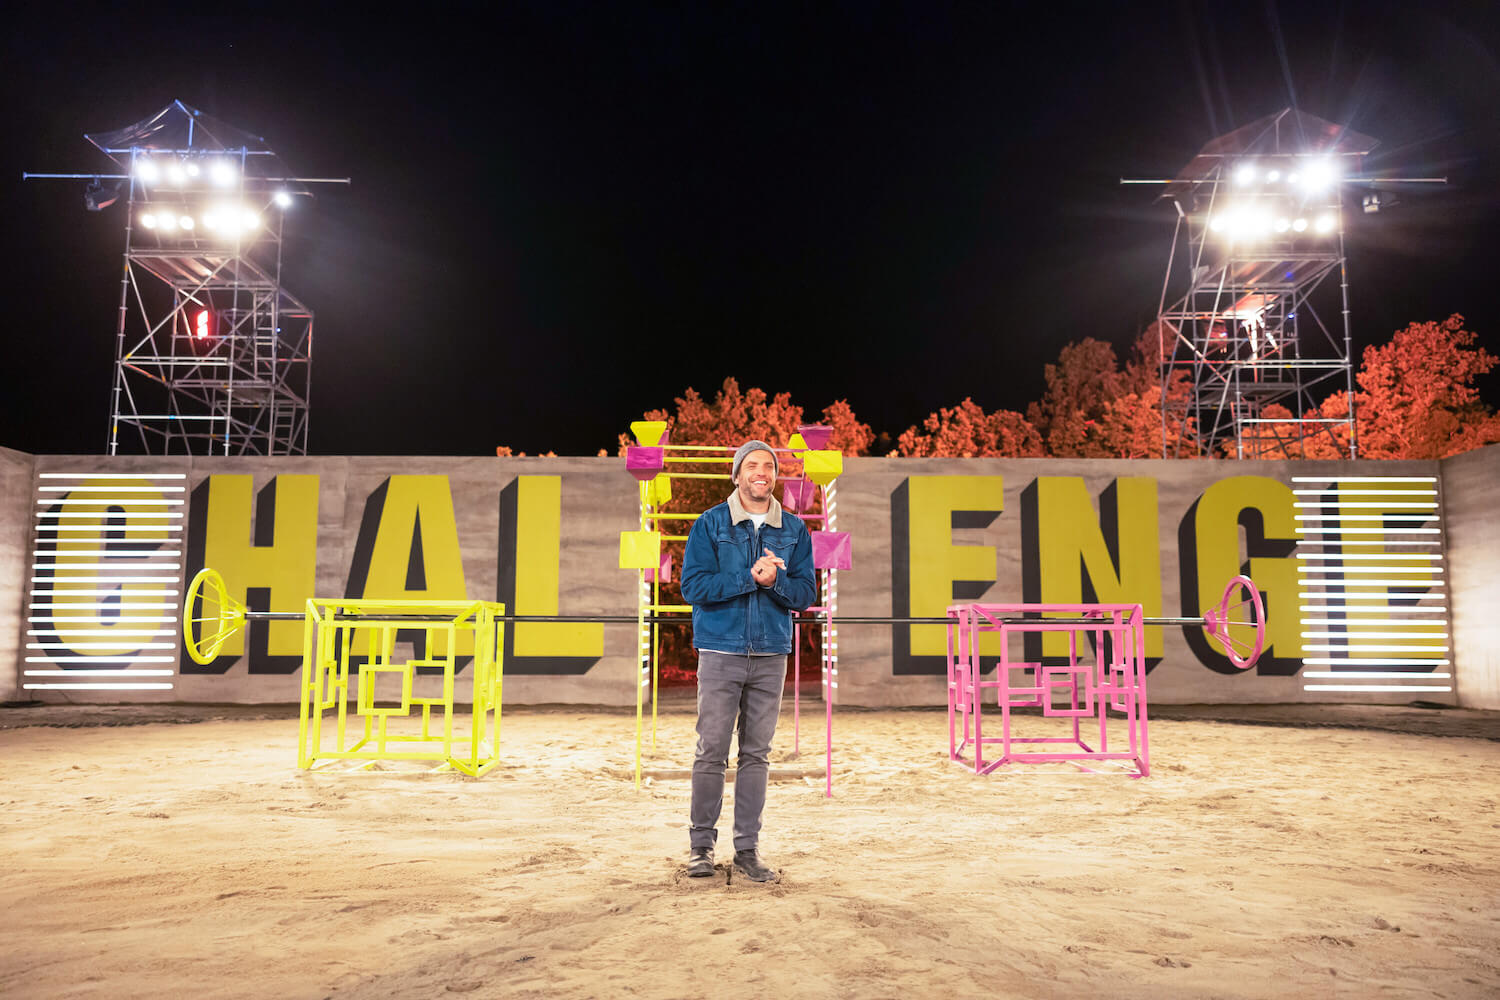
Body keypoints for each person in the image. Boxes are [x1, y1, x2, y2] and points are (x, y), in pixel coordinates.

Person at [678, 439, 816, 882]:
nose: (761, 472)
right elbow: (693, 588)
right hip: (720, 652)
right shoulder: (710, 523)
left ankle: (747, 850)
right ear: (737, 474)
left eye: (769, 466)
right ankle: (701, 848)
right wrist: (747, 577)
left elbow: (805, 596)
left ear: (775, 476)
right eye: (752, 465)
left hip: (772, 655)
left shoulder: (794, 529)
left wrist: (775, 581)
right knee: (711, 752)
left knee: (756, 755)